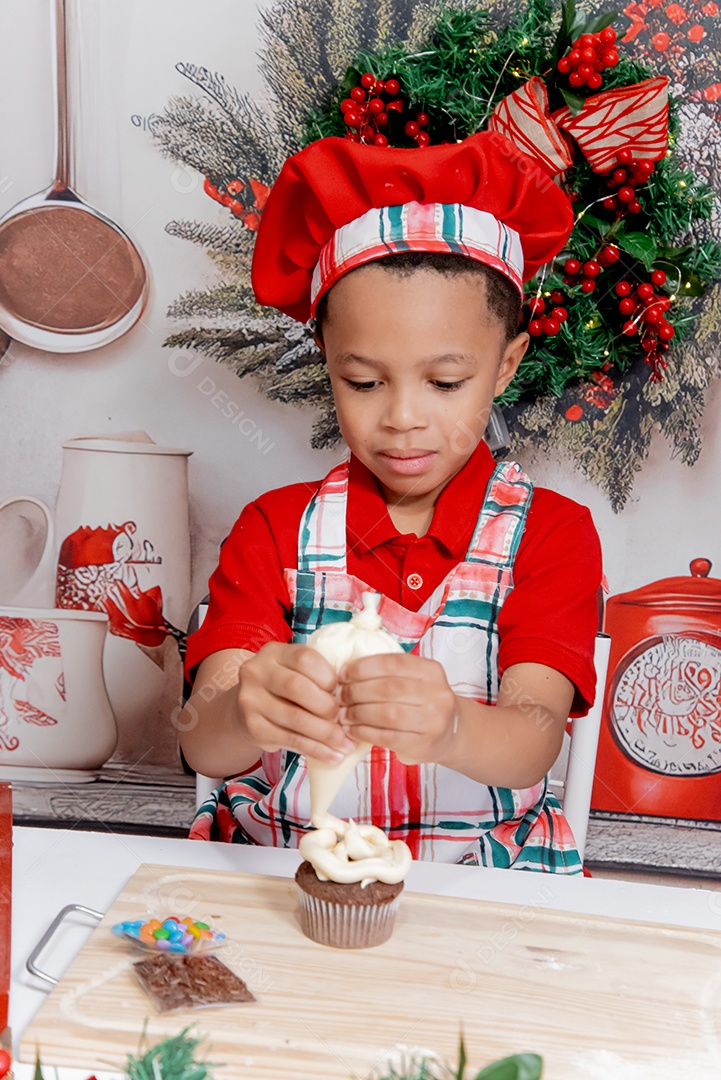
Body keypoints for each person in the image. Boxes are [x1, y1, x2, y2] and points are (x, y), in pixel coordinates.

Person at [181, 131, 602, 872]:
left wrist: (451, 732)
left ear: (505, 365)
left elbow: (534, 738)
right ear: (327, 365)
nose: (403, 416)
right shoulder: (276, 529)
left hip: (481, 882)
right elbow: (202, 740)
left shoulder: (550, 535)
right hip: (289, 869)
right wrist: (248, 702)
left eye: (444, 383)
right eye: (364, 382)